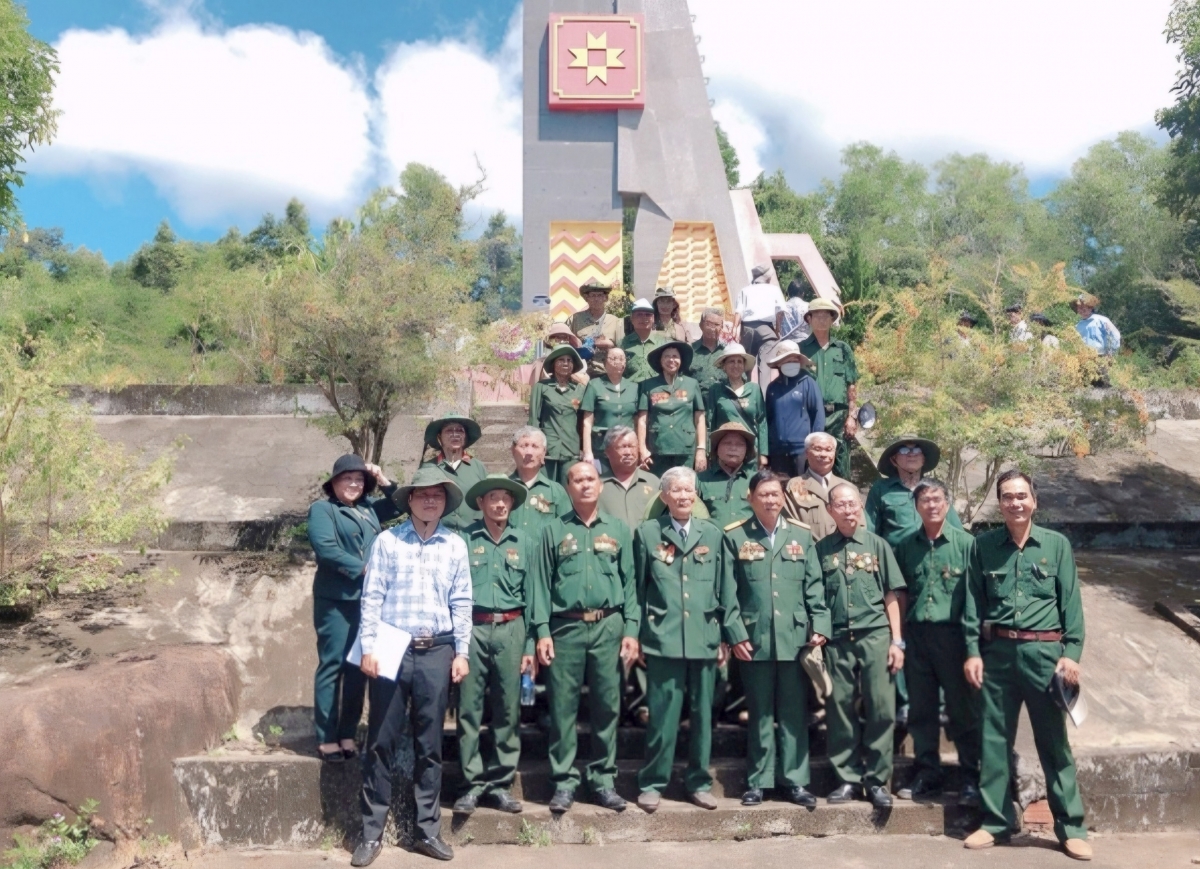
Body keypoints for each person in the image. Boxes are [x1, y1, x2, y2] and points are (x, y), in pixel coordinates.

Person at [963, 470, 1090, 861]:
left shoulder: (1056, 544)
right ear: (999, 503)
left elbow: (1071, 603)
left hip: (1045, 656)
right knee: (994, 741)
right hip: (997, 654)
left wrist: (1071, 652)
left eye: (1021, 496)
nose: (1015, 503)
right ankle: (995, 822)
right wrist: (972, 650)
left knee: (1054, 744)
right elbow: (972, 602)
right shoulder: (982, 546)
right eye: (1007, 497)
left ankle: (1071, 828)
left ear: (1034, 500)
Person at [352, 468, 472, 867]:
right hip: (390, 645)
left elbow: (462, 602)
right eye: (423, 495)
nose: (430, 501)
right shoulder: (387, 541)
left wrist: (462, 651)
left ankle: (427, 831)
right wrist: (369, 647)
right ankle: (370, 833)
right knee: (381, 741)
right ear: (410, 501)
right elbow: (371, 598)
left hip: (436, 649)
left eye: (438, 495)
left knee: (430, 744)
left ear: (444, 502)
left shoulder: (455, 545)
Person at [633, 467, 745, 813]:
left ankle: (698, 782)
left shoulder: (712, 534)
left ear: (696, 496)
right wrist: (635, 635)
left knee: (702, 717)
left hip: (704, 636)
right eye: (676, 491)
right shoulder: (648, 533)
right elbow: (637, 589)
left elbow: (727, 588)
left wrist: (729, 636)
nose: (683, 496)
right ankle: (653, 782)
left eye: (689, 490)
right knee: (662, 716)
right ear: (664, 496)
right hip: (662, 637)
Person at [532, 462, 641, 815]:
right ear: (567, 487)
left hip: (609, 627)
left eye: (591, 479)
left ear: (601, 485)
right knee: (563, 708)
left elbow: (631, 585)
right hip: (566, 628)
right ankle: (563, 782)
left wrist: (631, 630)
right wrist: (542, 631)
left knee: (608, 707)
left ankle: (602, 780)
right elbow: (540, 586)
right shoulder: (552, 531)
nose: (585, 485)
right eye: (577, 480)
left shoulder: (619, 530)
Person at [724, 470, 831, 806]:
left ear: (783, 497)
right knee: (759, 713)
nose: (771, 500)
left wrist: (820, 624)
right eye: (764, 494)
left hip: (795, 637)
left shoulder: (801, 534)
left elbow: (814, 585)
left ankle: (796, 781)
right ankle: (759, 781)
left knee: (794, 713)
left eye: (776, 494)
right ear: (751, 497)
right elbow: (728, 592)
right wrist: (735, 633)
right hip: (753, 640)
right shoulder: (735, 536)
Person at [452, 475, 537, 817]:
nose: (500, 504)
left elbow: (534, 596)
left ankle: (500, 783)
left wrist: (529, 644)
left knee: (507, 709)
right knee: (469, 709)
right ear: (481, 504)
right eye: (493, 498)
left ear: (512, 505)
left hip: (512, 629)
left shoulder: (526, 542)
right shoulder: (463, 540)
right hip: (473, 628)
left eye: (506, 499)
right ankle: (472, 784)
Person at [817, 482, 906, 809]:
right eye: (840, 505)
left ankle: (878, 781)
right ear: (830, 510)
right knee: (839, 708)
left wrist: (897, 641)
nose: (848, 510)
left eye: (853, 504)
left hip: (875, 636)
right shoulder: (821, 549)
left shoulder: (878, 545)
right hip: (838, 639)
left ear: (861, 508)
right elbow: (817, 600)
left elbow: (891, 596)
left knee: (882, 707)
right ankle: (847, 779)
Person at [892, 478, 980, 807]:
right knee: (921, 709)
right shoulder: (905, 545)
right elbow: (899, 593)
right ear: (916, 507)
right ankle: (927, 770)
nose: (931, 505)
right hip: (917, 638)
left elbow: (973, 599)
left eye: (937, 499)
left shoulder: (967, 544)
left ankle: (971, 774)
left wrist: (972, 648)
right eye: (925, 500)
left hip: (953, 636)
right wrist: (898, 639)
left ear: (948, 503)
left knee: (962, 709)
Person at [307, 455, 399, 764]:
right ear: (333, 483)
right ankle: (326, 737)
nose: (354, 484)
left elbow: (400, 505)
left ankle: (347, 732)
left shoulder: (368, 509)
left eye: (359, 479)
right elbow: (326, 549)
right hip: (336, 600)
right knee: (332, 665)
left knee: (358, 668)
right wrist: (363, 569)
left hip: (368, 602)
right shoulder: (323, 510)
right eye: (347, 478)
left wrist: (383, 481)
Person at [864, 435, 965, 548]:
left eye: (917, 449)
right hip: (894, 562)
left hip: (932, 559)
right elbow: (869, 530)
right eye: (904, 450)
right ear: (894, 460)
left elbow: (958, 532)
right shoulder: (881, 489)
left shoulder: (936, 489)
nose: (911, 454)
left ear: (923, 459)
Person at [798, 298, 859, 479]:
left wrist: (851, 416)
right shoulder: (800, 350)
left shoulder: (843, 349)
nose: (822, 319)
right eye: (817, 315)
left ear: (833, 320)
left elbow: (852, 384)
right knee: (811, 463)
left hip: (838, 416)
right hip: (809, 416)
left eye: (827, 315)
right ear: (809, 319)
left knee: (841, 466)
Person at [635, 341, 707, 473]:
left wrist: (701, 449)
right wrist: (642, 449)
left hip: (685, 448)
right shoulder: (648, 385)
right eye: (666, 356)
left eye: (675, 356)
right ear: (660, 361)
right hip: (658, 447)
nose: (671, 360)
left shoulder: (692, 384)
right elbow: (642, 420)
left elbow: (700, 418)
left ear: (681, 360)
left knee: (684, 486)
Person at [764, 341, 825, 476]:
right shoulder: (772, 388)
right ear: (779, 363)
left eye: (795, 359)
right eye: (788, 360)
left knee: (801, 491)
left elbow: (818, 417)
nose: (792, 362)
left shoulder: (808, 382)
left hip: (801, 451)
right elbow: (767, 419)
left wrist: (815, 447)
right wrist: (766, 451)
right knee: (780, 490)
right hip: (777, 452)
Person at [528, 344, 586, 484]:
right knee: (545, 492)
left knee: (570, 490)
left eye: (569, 360)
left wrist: (584, 449)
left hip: (571, 449)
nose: (566, 363)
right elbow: (534, 420)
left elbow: (584, 422)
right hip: (548, 450)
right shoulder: (541, 387)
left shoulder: (580, 389)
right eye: (561, 360)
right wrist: (536, 448)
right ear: (553, 364)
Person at [705, 343, 767, 468]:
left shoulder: (754, 389)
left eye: (740, 361)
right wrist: (708, 451)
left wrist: (763, 453)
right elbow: (709, 422)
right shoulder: (715, 390)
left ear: (744, 366)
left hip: (750, 451)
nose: (736, 365)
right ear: (724, 366)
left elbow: (762, 422)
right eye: (731, 361)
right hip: (724, 450)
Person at [421, 416, 488, 531]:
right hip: (438, 535)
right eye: (449, 430)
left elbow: (488, 501)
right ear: (439, 437)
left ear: (465, 437)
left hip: (473, 536)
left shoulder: (478, 467)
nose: (455, 434)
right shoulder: (428, 468)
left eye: (460, 430)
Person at [507, 426, 572, 533]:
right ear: (513, 451)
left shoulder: (556, 492)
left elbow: (567, 531)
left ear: (544, 453)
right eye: (524, 446)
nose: (529, 452)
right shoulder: (502, 488)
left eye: (535, 446)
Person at [782, 432, 846, 541]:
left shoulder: (847, 488)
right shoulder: (794, 486)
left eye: (829, 450)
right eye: (818, 449)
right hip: (808, 552)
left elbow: (860, 527)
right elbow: (789, 525)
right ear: (807, 453)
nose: (824, 454)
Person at [581, 346, 637, 466]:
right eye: (614, 358)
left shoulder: (634, 387)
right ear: (605, 363)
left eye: (622, 359)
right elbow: (587, 421)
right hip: (601, 447)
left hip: (626, 448)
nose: (619, 362)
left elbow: (638, 420)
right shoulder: (594, 385)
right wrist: (587, 451)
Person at [732, 264, 786, 387]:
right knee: (764, 369)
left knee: (745, 365)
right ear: (767, 277)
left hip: (747, 328)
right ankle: (763, 400)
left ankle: (744, 394)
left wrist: (735, 329)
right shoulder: (774, 289)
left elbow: (738, 312)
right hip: (766, 329)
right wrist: (777, 330)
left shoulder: (744, 290)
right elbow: (780, 314)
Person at [597, 426, 661, 529]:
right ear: (607, 452)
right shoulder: (596, 486)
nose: (628, 452)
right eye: (622, 447)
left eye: (632, 446)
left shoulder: (653, 482)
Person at [695, 421, 757, 526]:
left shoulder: (756, 480)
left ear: (747, 450)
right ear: (717, 448)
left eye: (740, 444)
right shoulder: (700, 479)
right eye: (727, 443)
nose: (733, 448)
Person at [568, 281, 623, 378]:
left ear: (606, 298)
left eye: (600, 295)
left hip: (606, 374)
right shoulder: (575, 319)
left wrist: (610, 345)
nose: (596, 299)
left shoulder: (615, 321)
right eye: (593, 295)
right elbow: (562, 341)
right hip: (580, 373)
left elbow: (623, 348)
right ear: (586, 298)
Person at [528, 323, 589, 391]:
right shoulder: (540, 363)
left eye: (565, 337)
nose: (561, 340)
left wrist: (569, 374)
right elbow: (536, 387)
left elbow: (585, 381)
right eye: (556, 337)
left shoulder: (576, 359)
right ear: (549, 340)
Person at [620, 298, 666, 384]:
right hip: (632, 390)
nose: (644, 318)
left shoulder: (663, 343)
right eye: (639, 315)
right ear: (632, 318)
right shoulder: (622, 344)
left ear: (653, 318)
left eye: (648, 315)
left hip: (657, 390)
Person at [689, 307, 728, 395]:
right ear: (701, 325)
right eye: (709, 324)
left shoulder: (728, 352)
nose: (712, 328)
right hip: (698, 402)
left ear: (721, 327)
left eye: (716, 324)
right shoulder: (690, 352)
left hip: (723, 400)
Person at [1072, 292, 1120, 357]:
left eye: (1084, 307)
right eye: (1079, 307)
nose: (1081, 309)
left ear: (1090, 307)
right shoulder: (1078, 326)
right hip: (1084, 357)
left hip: (1102, 356)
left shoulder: (1102, 320)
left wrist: (1110, 352)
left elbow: (1115, 335)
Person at [777, 277, 811, 343]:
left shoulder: (781, 307)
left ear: (789, 293)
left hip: (785, 343)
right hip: (804, 343)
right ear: (802, 293)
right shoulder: (808, 307)